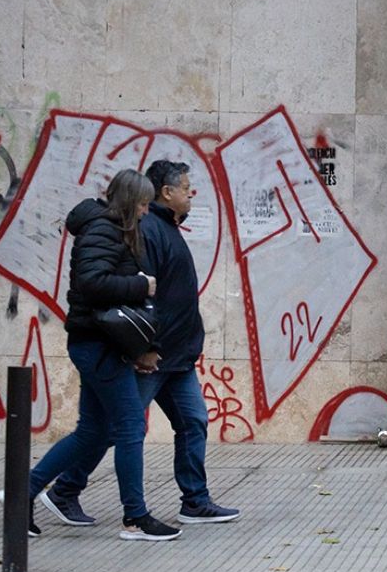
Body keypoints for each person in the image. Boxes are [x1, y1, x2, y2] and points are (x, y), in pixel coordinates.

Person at [42, 160, 240, 529]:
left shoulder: (163, 227)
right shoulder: (147, 230)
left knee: (192, 421)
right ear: (165, 193)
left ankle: (194, 501)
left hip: (177, 357)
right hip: (153, 354)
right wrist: (144, 348)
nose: (190, 193)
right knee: (117, 429)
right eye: (185, 187)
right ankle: (73, 493)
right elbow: (136, 294)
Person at [19, 169, 180, 540]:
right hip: (96, 344)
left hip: (102, 344)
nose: (145, 211)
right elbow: (91, 284)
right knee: (129, 426)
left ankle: (22, 493)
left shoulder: (113, 231)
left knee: (93, 430)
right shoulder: (101, 231)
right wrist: (141, 284)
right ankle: (135, 518)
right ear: (128, 202)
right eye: (141, 204)